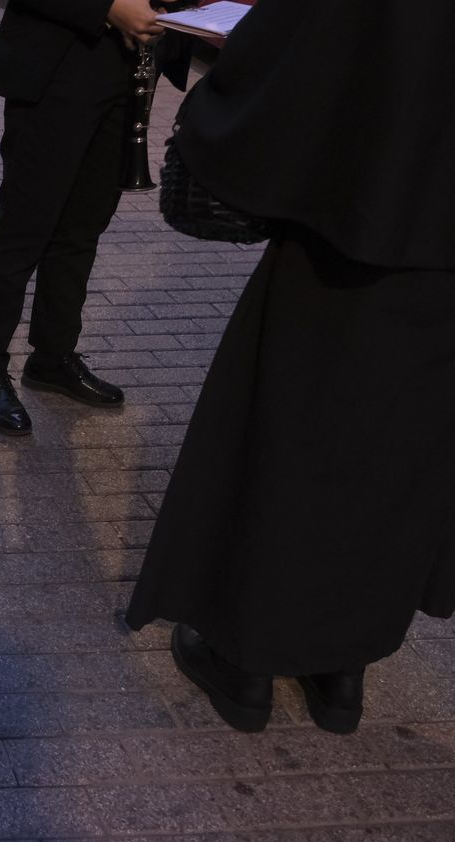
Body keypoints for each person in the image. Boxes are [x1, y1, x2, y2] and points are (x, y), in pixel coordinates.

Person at [125, 0, 455, 734]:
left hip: (352, 222)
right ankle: (343, 669)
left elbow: (304, 42)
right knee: (402, 457)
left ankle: (243, 660)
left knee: (291, 436)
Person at [0, 0, 164, 436]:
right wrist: (108, 7)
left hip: (126, 64)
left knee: (83, 227)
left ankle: (52, 357)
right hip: (57, 62)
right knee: (23, 231)